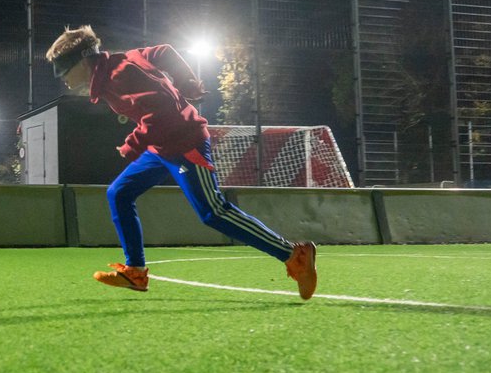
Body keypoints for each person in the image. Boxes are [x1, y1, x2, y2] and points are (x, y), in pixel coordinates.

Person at [45, 25, 318, 299]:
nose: (63, 77)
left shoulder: (120, 75)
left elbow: (162, 109)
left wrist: (132, 144)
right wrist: (187, 82)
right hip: (163, 147)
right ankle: (135, 272)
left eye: (63, 69)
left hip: (186, 145)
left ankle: (294, 255)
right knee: (119, 192)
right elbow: (163, 51)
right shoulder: (120, 64)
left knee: (213, 212)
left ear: (83, 60)